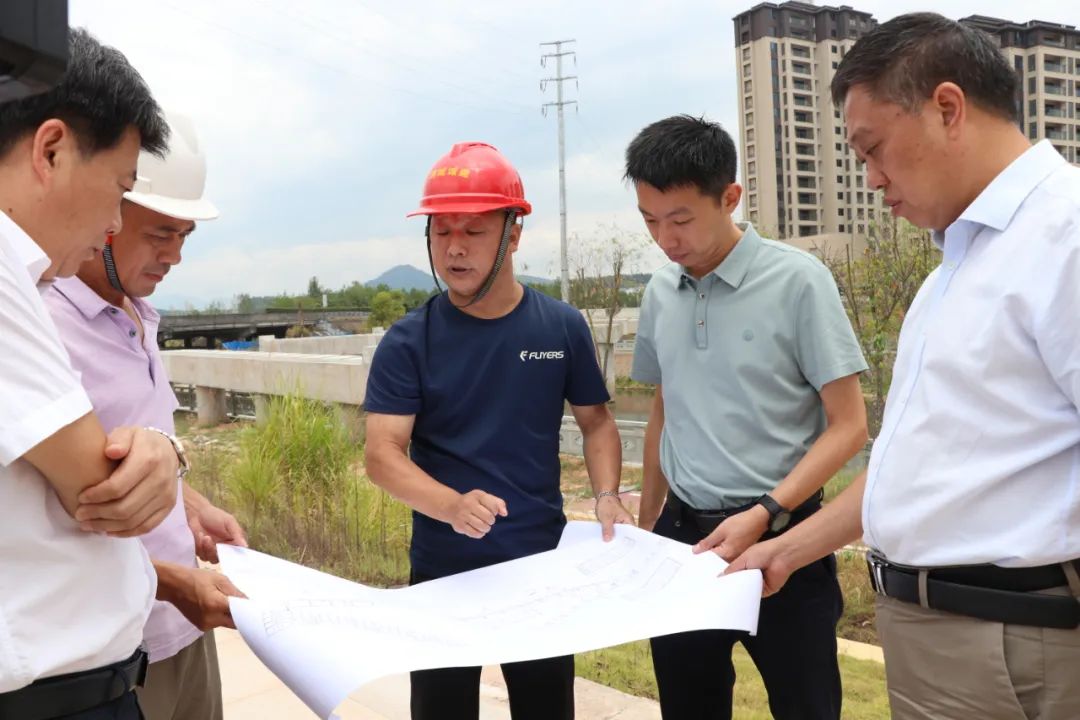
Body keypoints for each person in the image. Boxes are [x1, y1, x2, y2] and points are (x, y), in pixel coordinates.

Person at [726, 13, 1080, 720]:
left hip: (1011, 638)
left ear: (948, 107)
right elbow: (913, 465)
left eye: (874, 147)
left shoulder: (1063, 236)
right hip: (947, 635)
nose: (872, 178)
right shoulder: (956, 268)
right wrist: (786, 549)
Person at [364, 141, 633, 720]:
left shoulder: (560, 327)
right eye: (441, 231)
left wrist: (608, 495)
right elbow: (382, 454)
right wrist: (452, 505)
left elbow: (596, 423)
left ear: (513, 234)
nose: (454, 248)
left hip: (539, 566)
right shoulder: (409, 341)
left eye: (473, 230)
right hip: (443, 568)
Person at [625, 115, 868, 720]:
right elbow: (665, 408)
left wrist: (766, 512)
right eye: (650, 220)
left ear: (730, 197)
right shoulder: (659, 292)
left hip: (787, 539)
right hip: (684, 543)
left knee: (807, 707)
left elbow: (849, 426)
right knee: (688, 707)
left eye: (681, 219)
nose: (665, 239)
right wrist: (648, 525)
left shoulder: (798, 281)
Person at [0, 28, 187, 720]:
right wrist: (161, 453)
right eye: (119, 189)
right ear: (50, 150)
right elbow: (102, 491)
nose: (112, 222)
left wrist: (164, 454)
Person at [45, 111, 246, 720]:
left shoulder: (139, 312)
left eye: (185, 236)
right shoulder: (45, 326)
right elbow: (60, 518)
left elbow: (136, 455)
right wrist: (175, 583)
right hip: (116, 656)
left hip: (187, 627)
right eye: (161, 233)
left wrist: (192, 506)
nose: (175, 255)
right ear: (109, 207)